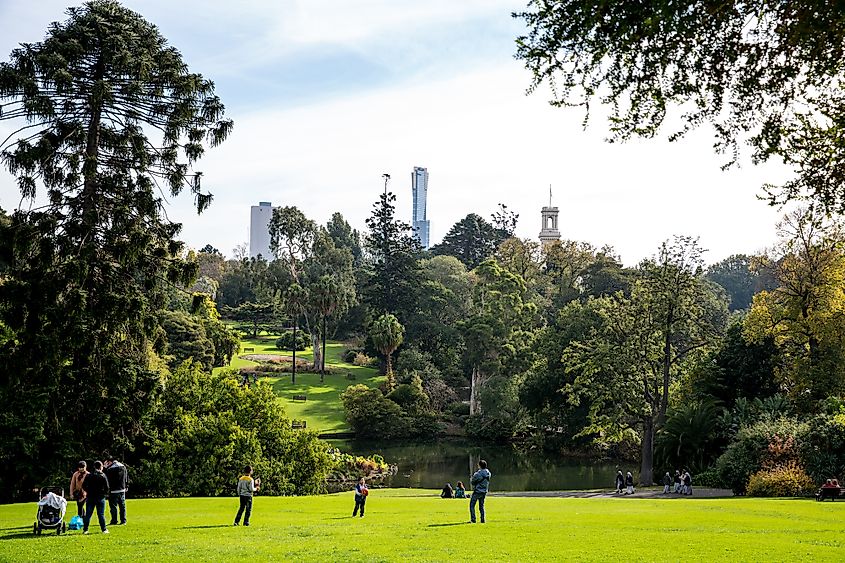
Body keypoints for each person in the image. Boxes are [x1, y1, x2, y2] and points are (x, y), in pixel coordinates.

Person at [81, 460, 110, 535]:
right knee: (101, 514)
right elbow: (107, 487)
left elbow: (83, 486)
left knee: (88, 514)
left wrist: (88, 491)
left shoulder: (89, 475)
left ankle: (85, 529)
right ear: (101, 467)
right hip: (100, 497)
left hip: (90, 497)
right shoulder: (103, 475)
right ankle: (104, 529)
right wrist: (104, 493)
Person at [104, 455, 128, 526]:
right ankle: (123, 520)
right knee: (122, 506)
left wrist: (105, 468)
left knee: (113, 506)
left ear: (109, 461)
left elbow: (107, 480)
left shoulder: (110, 469)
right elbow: (126, 477)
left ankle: (114, 520)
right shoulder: (123, 466)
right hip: (122, 489)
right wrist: (126, 485)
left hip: (113, 490)